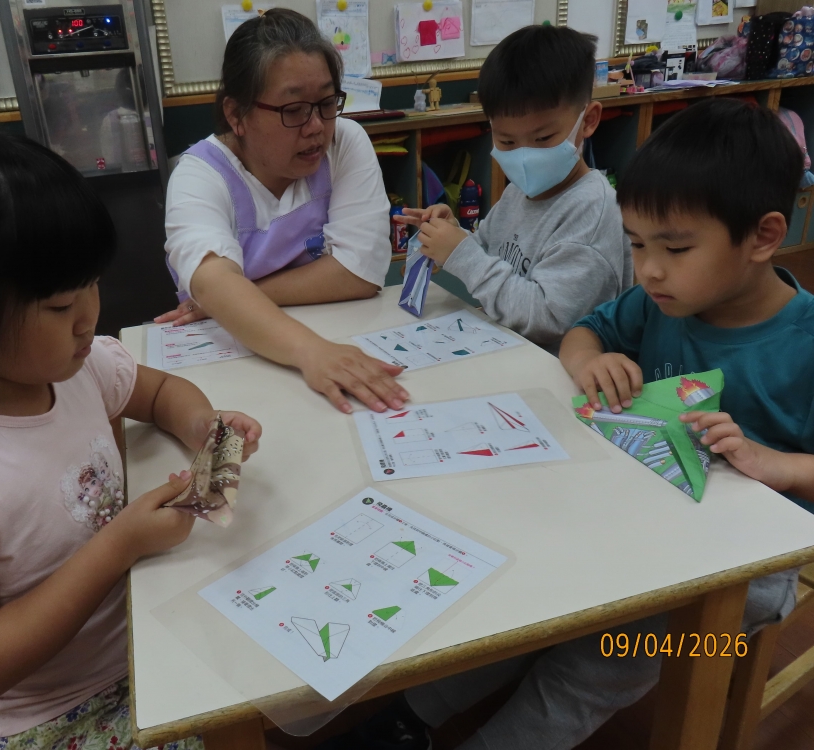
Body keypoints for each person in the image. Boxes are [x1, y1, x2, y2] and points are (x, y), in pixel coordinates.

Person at [337, 98, 814, 750]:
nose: (649, 269)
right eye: (637, 244)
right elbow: (583, 333)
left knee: (599, 660)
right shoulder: (661, 301)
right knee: (530, 602)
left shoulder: (803, 344)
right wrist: (592, 360)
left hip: (740, 586)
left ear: (762, 236)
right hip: (640, 517)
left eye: (675, 248)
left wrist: (779, 465)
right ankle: (412, 717)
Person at [0, 134, 261, 750]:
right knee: (242, 718)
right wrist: (120, 544)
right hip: (61, 718)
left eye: (92, 284)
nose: (89, 318)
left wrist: (203, 428)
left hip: (148, 635)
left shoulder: (70, 370)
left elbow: (162, 392)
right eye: (60, 306)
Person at [159, 9, 408, 415]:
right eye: (293, 110)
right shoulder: (199, 175)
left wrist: (232, 299)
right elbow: (214, 280)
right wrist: (312, 352)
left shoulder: (345, 142)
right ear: (236, 115)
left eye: (326, 102)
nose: (317, 127)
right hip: (231, 362)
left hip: (336, 335)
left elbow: (360, 273)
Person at [397, 25, 632, 353]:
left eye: (543, 138)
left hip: (560, 372)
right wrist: (452, 237)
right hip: (509, 351)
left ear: (588, 120)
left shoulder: (591, 214)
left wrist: (462, 254)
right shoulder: (520, 192)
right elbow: (489, 253)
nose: (524, 156)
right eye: (506, 141)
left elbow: (548, 319)